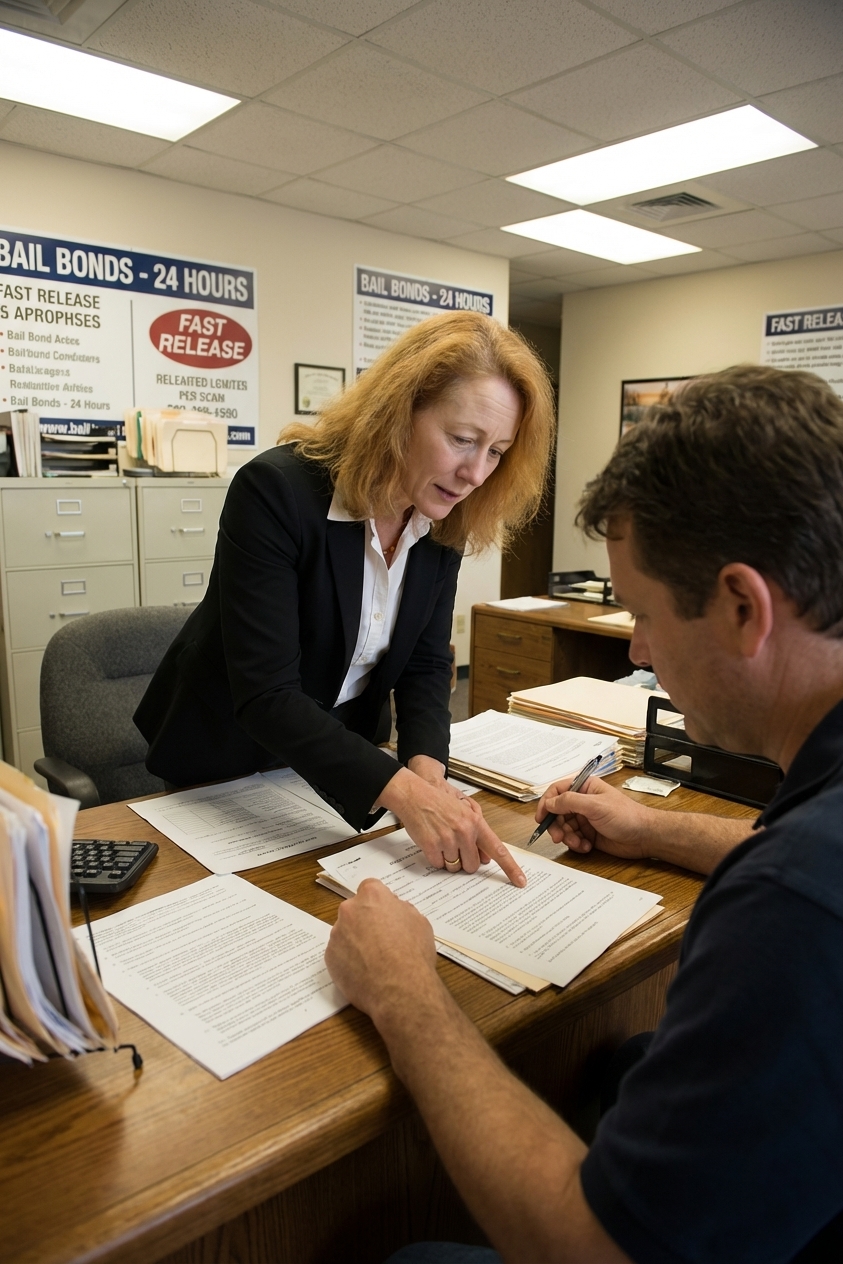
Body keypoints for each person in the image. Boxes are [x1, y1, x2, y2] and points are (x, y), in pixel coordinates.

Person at [325, 364, 843, 1263]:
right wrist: (656, 828)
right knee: (626, 1059)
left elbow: (593, 1249)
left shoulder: (791, 906)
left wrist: (404, 993)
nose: (637, 651)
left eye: (641, 615)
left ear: (740, 607)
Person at [135, 312, 554, 882]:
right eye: (461, 440)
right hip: (224, 765)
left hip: (342, 766)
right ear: (399, 413)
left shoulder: (444, 515)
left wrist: (427, 773)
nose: (476, 473)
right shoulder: (276, 491)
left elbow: (428, 663)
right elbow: (266, 693)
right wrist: (404, 791)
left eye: (497, 451)